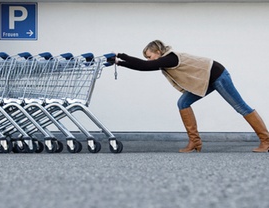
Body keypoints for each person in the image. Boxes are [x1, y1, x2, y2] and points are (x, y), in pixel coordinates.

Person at [115, 39, 269, 153]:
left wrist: (120, 58)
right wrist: (119, 60)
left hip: (217, 75)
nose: (148, 60)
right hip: (205, 79)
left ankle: (266, 140)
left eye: (150, 56)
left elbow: (144, 66)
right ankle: (195, 142)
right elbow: (144, 64)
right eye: (147, 57)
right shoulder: (165, 60)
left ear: (158, 52)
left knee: (240, 107)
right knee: (183, 103)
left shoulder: (170, 58)